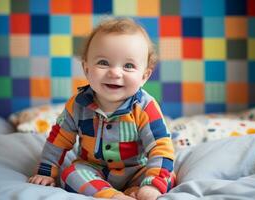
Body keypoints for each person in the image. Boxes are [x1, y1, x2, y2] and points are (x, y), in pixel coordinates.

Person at [28, 17, 176, 200]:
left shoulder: (145, 107)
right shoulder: (78, 105)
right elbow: (58, 139)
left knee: (165, 172)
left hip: (137, 170)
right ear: (87, 69)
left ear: (144, 76)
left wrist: (153, 184)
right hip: (93, 169)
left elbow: (160, 146)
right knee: (71, 174)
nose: (114, 73)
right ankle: (112, 196)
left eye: (128, 66)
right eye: (103, 63)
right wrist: (46, 171)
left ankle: (140, 190)